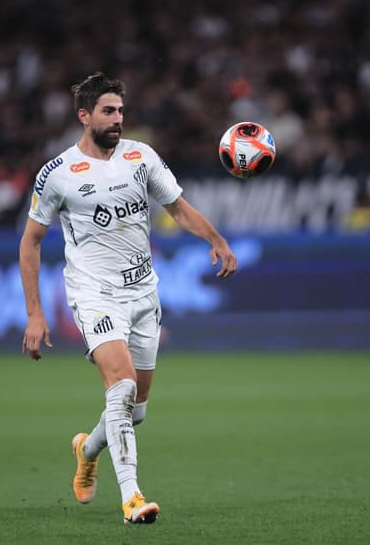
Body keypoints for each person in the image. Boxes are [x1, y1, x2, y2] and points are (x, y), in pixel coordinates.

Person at [18, 72, 237, 524]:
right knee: (118, 388)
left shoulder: (141, 157)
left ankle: (87, 448)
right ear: (85, 116)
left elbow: (177, 207)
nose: (118, 119)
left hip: (143, 292)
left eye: (120, 110)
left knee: (134, 410)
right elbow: (30, 243)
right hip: (94, 294)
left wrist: (215, 239)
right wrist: (34, 315)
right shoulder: (57, 175)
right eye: (108, 111)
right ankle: (132, 496)